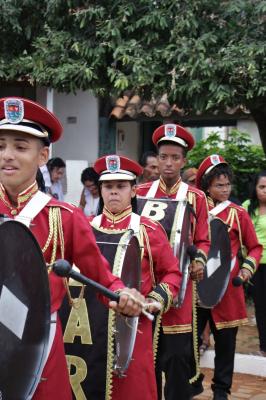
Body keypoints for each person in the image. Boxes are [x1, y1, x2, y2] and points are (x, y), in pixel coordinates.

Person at [0, 97, 146, 400]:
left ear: (43, 156)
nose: (7, 156)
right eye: (0, 146)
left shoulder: (64, 218)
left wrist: (124, 296)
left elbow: (105, 280)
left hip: (38, 350)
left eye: (20, 147)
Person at [88, 154, 181, 400]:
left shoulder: (149, 230)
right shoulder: (85, 227)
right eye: (108, 186)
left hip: (133, 328)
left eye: (121, 186)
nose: (114, 192)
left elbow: (172, 273)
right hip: (89, 329)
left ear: (133, 191)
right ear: (100, 190)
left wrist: (154, 300)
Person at [137, 124, 210, 400]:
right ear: (156, 158)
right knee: (146, 356)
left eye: (175, 157)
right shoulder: (141, 193)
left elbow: (203, 239)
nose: (168, 163)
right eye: (163, 157)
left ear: (184, 160)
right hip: (145, 285)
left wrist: (199, 260)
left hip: (180, 289)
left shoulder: (196, 197)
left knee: (178, 356)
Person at [193, 154, 262, 400]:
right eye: (218, 185)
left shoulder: (238, 214)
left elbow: (255, 247)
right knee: (188, 343)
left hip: (227, 291)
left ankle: (221, 391)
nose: (224, 189)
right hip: (197, 289)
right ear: (207, 187)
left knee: (226, 345)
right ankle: (192, 381)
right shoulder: (195, 211)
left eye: (227, 184)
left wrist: (246, 270)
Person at [242, 170, 266, 357]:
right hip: (255, 265)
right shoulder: (247, 207)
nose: (265, 190)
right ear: (255, 188)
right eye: (262, 187)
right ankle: (264, 347)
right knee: (260, 305)